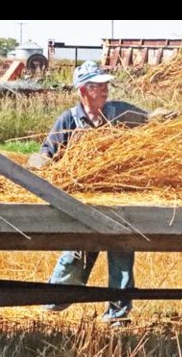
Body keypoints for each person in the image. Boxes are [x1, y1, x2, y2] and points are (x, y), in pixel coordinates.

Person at [31, 61, 148, 324]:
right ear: (83, 90)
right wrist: (41, 164)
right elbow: (45, 154)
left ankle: (117, 316)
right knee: (76, 255)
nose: (105, 90)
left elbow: (152, 122)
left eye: (106, 84)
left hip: (117, 200)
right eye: (98, 86)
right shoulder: (69, 120)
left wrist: (164, 117)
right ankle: (52, 304)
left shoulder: (119, 113)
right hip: (81, 202)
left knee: (121, 254)